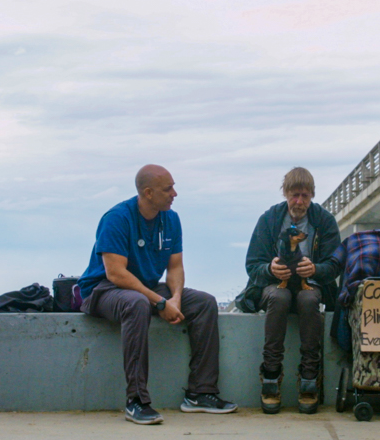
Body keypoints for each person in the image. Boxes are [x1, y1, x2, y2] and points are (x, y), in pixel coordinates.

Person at [77, 164, 237, 425]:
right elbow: (116, 274)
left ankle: (201, 393)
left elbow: (174, 267)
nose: (175, 193)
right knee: (138, 303)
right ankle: (137, 401)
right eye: (168, 188)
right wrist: (159, 301)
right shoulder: (117, 218)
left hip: (145, 288)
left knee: (204, 302)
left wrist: (173, 298)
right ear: (148, 193)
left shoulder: (171, 219)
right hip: (103, 289)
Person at [242, 167, 341, 414]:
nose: (299, 201)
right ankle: (271, 375)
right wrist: (270, 269)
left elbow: (336, 264)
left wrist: (315, 269)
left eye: (305, 196)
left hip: (312, 286)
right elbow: (252, 264)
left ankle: (309, 377)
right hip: (275, 285)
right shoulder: (269, 219)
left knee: (308, 300)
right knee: (279, 297)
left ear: (312, 196)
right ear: (285, 193)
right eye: (295, 195)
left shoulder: (325, 220)